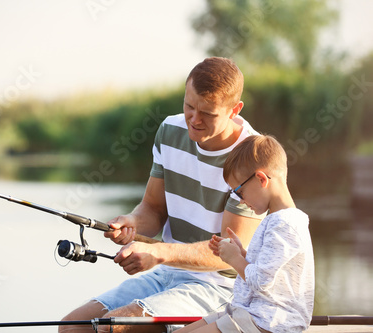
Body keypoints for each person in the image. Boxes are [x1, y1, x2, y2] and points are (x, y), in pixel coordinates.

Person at [59, 57, 265, 333]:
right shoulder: (170, 130)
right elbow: (153, 209)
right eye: (189, 106)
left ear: (234, 109)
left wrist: (159, 252)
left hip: (221, 286)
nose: (194, 119)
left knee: (113, 328)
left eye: (208, 113)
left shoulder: (250, 158)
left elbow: (226, 252)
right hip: (167, 272)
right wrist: (132, 222)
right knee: (73, 328)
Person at [176, 135, 315, 333]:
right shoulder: (276, 219)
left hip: (269, 322)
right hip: (251, 314)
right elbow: (268, 273)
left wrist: (234, 260)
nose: (240, 201)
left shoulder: (285, 224)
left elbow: (261, 282)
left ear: (261, 179)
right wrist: (241, 254)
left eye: (239, 192)